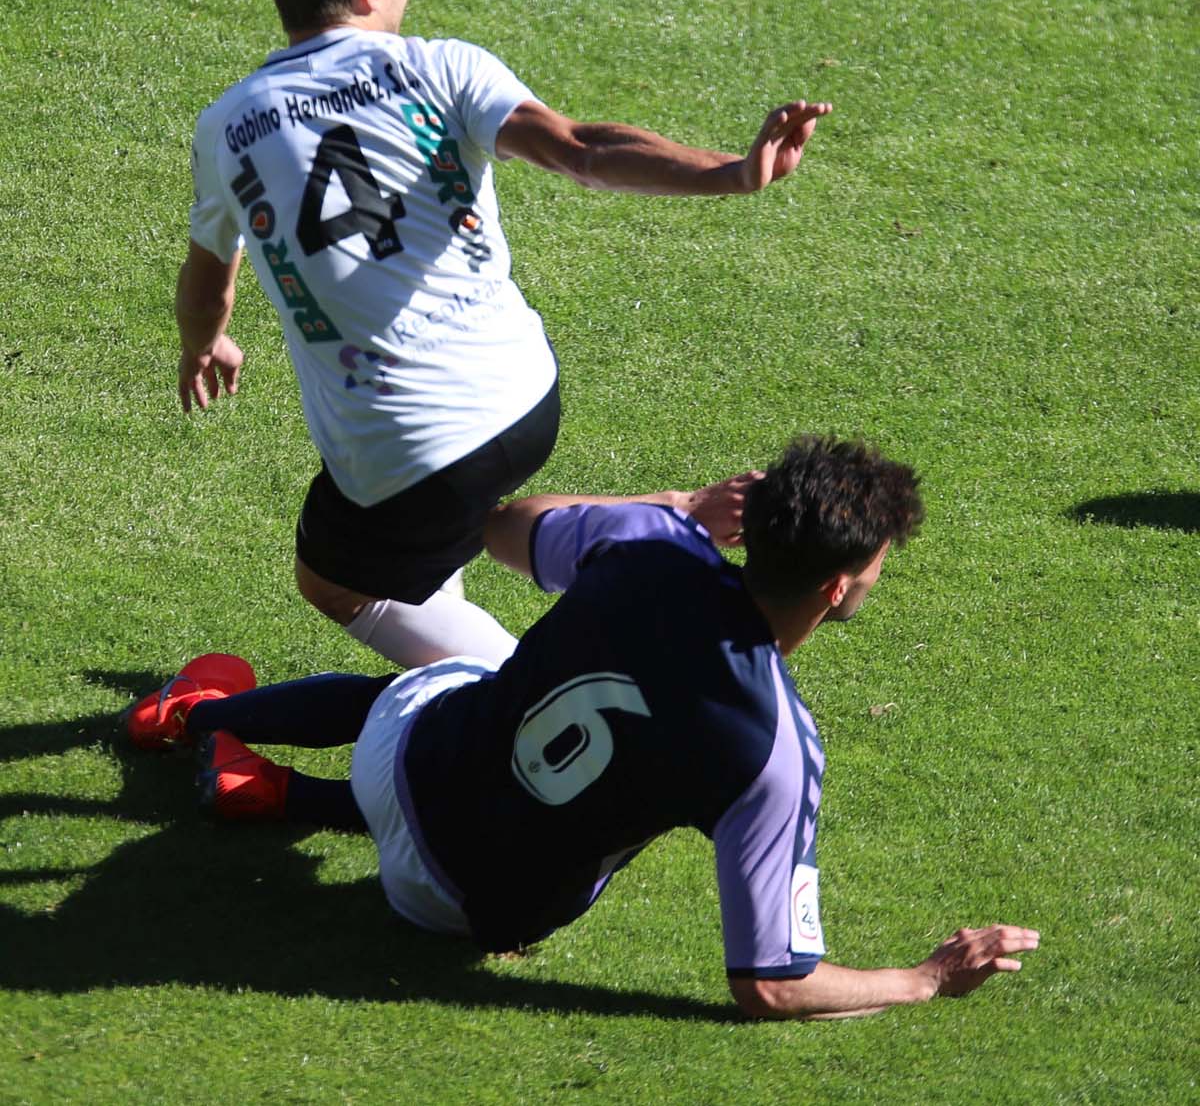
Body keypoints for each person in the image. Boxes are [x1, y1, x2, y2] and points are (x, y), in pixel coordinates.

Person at [125, 436, 1038, 1020]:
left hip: (397, 773)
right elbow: (772, 982)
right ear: (839, 587)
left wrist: (678, 508)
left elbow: (505, 528)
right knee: (538, 757)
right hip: (463, 914)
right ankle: (277, 793)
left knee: (460, 680)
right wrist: (924, 978)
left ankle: (200, 714)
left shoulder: (648, 545)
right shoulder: (777, 751)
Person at [175, 0, 832, 672]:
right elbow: (584, 151)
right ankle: (617, 535)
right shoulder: (441, 69)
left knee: (334, 581)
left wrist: (205, 344)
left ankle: (521, 691)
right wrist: (730, 171)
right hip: (524, 396)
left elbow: (211, 281)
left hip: (406, 451)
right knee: (453, 518)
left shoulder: (227, 128)